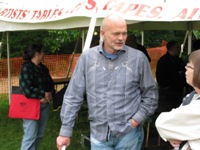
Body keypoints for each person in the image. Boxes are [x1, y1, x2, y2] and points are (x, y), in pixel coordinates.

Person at [56, 14, 158, 150]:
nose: (121, 38)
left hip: (129, 135)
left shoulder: (138, 59)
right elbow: (73, 96)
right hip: (99, 137)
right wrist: (65, 131)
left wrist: (134, 121)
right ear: (103, 33)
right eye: (116, 34)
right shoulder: (87, 58)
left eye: (124, 33)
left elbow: (151, 96)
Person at [156, 49, 200, 150]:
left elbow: (162, 123)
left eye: (189, 66)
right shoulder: (192, 96)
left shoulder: (197, 106)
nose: (185, 68)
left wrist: (173, 134)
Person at [19, 43, 55, 150]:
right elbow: (26, 89)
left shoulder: (43, 68)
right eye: (42, 52)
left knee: (39, 135)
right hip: (31, 107)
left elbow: (51, 83)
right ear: (37, 54)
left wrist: (50, 94)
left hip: (44, 106)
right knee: (30, 136)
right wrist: (42, 94)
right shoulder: (26, 68)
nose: (44, 54)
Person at [155, 40, 187, 113]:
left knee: (177, 110)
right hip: (167, 92)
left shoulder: (179, 60)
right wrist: (165, 86)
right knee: (166, 111)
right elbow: (160, 76)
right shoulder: (163, 60)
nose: (179, 50)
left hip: (178, 90)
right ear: (171, 48)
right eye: (177, 48)